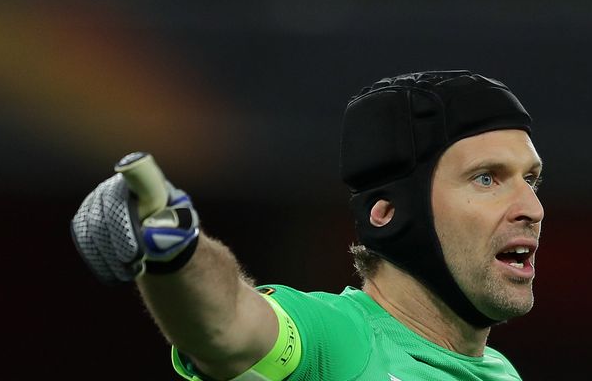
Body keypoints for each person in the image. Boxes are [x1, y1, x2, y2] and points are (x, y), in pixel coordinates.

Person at [71, 70, 544, 380]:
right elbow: (229, 325)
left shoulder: (502, 373)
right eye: (487, 178)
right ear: (389, 213)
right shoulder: (336, 342)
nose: (532, 208)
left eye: (531, 180)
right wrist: (175, 248)